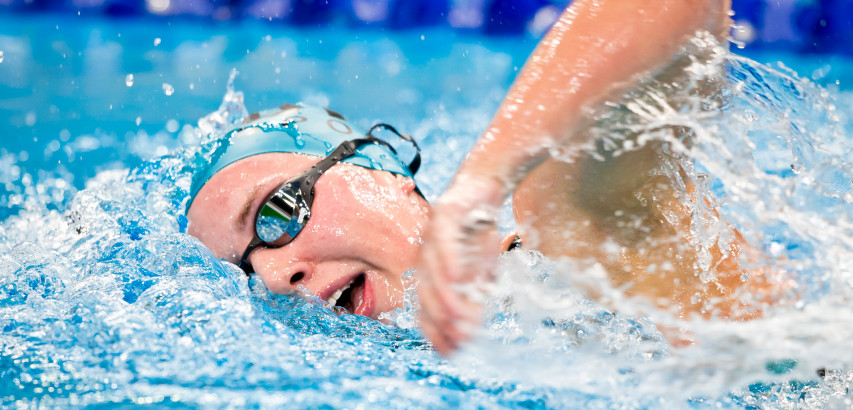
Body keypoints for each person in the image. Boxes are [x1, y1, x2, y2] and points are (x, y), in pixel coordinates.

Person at [186, 0, 783, 356]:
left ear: (379, 171)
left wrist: (481, 185)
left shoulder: (570, 244)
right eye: (243, 274)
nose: (274, 276)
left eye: (278, 212)